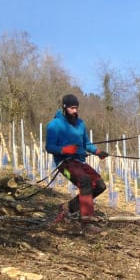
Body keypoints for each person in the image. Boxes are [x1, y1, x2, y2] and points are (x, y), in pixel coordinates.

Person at [45, 94, 110, 235]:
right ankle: (86, 222)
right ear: (64, 108)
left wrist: (98, 152)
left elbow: (86, 143)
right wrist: (64, 150)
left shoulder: (81, 124)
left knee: (100, 185)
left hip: (80, 162)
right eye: (72, 108)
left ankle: (69, 206)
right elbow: (49, 147)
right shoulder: (54, 125)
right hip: (65, 164)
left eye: (76, 108)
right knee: (85, 181)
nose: (75, 111)